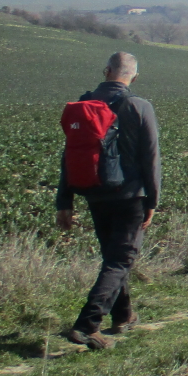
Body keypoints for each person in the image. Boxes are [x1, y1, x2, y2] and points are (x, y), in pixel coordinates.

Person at [56, 52, 161, 350]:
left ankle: (123, 316)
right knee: (121, 259)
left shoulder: (83, 105)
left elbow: (69, 154)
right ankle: (88, 325)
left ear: (106, 71)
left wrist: (64, 200)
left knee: (114, 258)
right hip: (129, 196)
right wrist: (153, 201)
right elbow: (151, 157)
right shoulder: (139, 106)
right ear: (135, 77)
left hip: (94, 192)